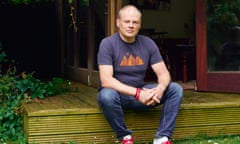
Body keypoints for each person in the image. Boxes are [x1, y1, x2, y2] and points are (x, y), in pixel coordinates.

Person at [97, 5, 183, 144]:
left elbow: (163, 73)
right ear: (118, 23)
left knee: (175, 89)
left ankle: (162, 138)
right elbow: (106, 80)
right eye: (127, 21)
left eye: (135, 22)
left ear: (139, 24)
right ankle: (125, 137)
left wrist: (160, 88)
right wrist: (138, 93)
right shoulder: (107, 44)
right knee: (106, 95)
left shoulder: (148, 43)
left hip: (141, 95)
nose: (131, 25)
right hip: (118, 96)